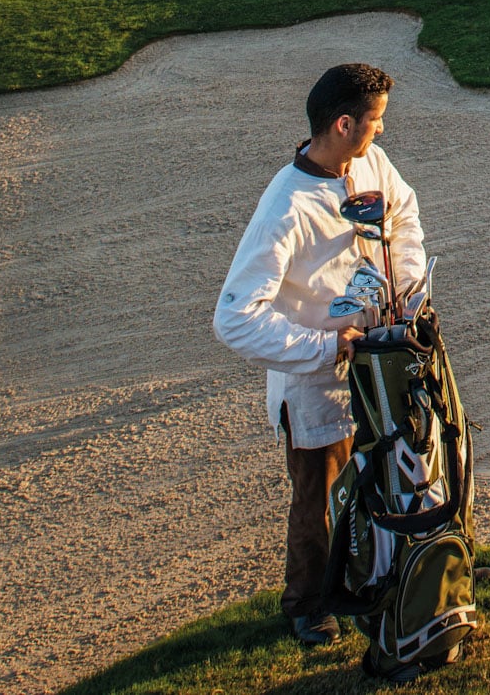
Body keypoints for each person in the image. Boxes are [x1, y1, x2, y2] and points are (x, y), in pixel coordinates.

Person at [213, 63, 426, 646]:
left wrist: (403, 290)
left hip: (379, 351)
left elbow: (403, 215)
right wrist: (323, 347)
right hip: (316, 377)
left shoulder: (368, 164)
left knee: (397, 462)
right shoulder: (284, 206)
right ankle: (309, 602)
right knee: (321, 495)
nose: (381, 132)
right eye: (374, 122)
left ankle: (398, 569)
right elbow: (234, 318)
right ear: (342, 123)